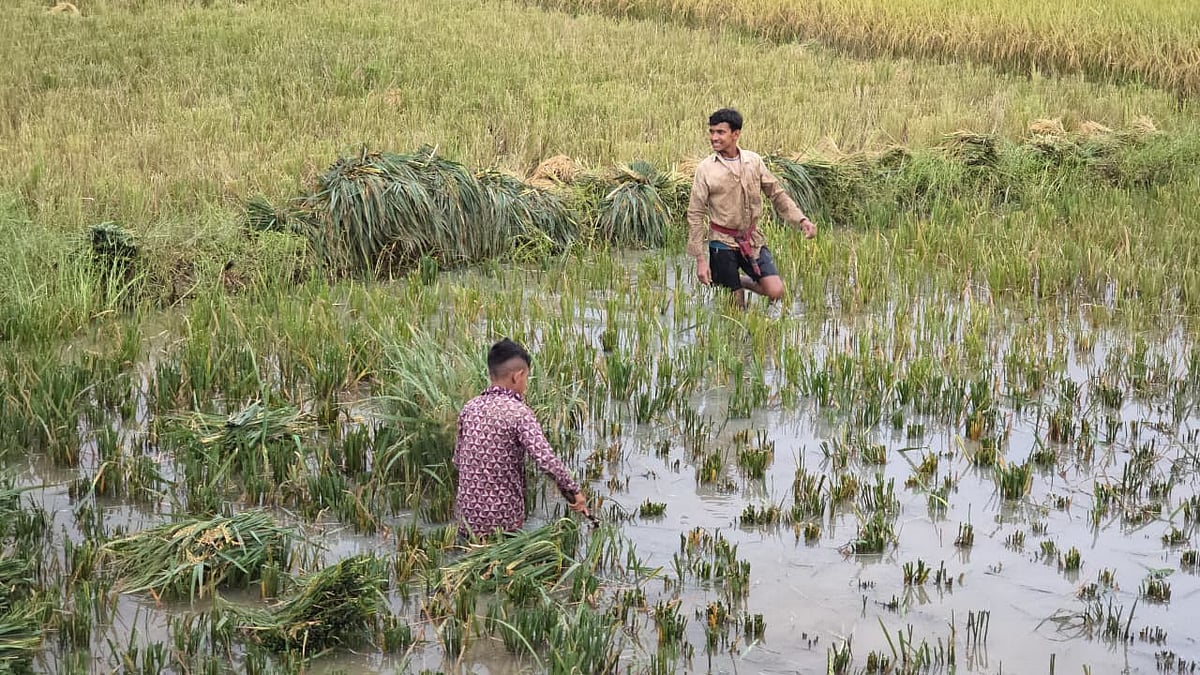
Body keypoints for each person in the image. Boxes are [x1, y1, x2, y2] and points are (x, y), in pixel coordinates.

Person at [452, 338, 589, 538]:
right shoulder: (519, 413)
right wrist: (573, 491)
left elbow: (458, 460)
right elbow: (546, 460)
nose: (526, 384)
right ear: (518, 376)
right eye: (527, 378)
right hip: (503, 521)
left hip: (467, 518)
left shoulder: (470, 408)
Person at [686, 108, 817, 309]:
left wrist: (801, 219)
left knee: (775, 291)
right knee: (737, 309)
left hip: (751, 239)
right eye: (712, 132)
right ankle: (731, 287)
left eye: (720, 132)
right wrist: (700, 259)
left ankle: (741, 281)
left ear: (736, 134)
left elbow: (776, 193)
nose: (714, 137)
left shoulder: (753, 161)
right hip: (722, 242)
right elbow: (695, 213)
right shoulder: (706, 169)